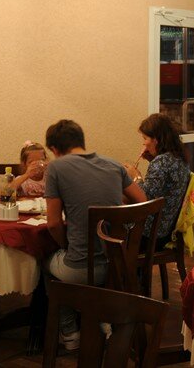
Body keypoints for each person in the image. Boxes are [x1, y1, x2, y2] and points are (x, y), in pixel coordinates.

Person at [44, 120, 145, 350]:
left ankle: (70, 332)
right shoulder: (113, 165)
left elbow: (53, 224)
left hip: (82, 268)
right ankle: (102, 317)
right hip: (117, 264)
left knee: (45, 260)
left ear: (55, 149)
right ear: (81, 141)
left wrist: (65, 245)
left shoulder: (56, 168)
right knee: (74, 262)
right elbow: (142, 201)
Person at [124, 114, 191, 252]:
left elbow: (143, 198)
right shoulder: (179, 158)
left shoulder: (161, 162)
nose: (144, 143)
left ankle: (120, 264)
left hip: (150, 234)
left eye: (145, 138)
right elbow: (164, 183)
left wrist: (136, 176)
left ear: (156, 140)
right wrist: (152, 159)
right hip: (167, 229)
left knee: (107, 224)